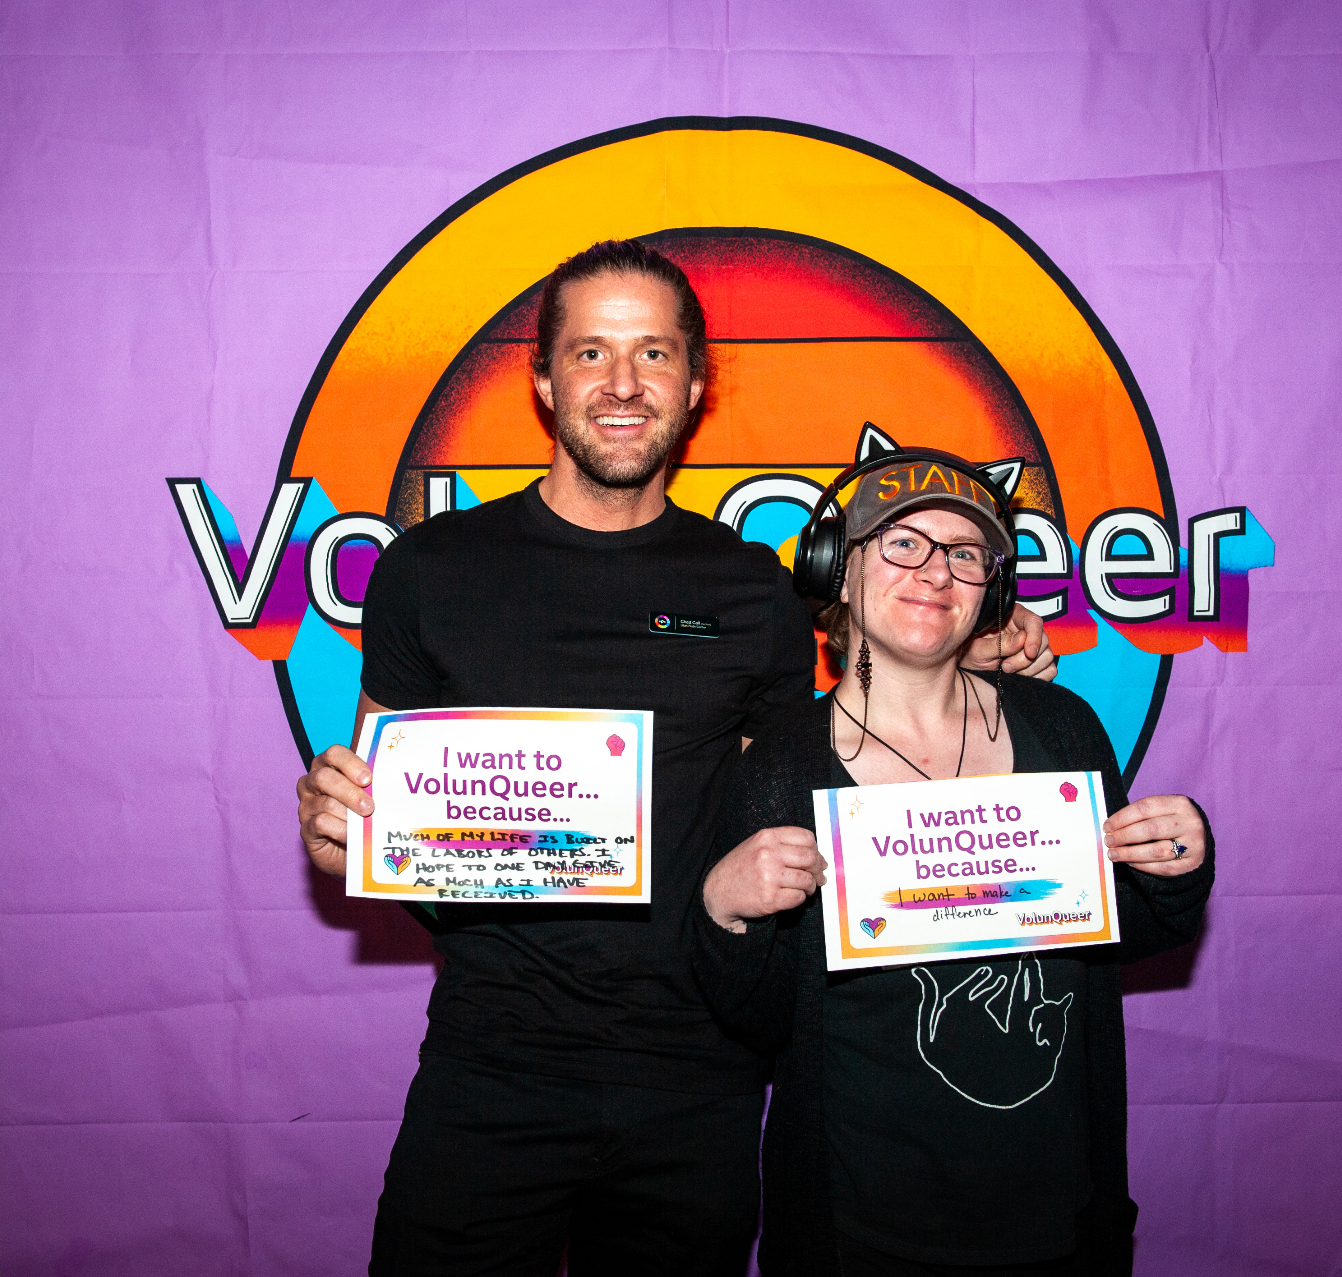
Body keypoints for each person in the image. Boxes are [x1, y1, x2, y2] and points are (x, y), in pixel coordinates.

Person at [294, 239, 1058, 1277]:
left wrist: (964, 654)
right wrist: (337, 822)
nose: (621, 384)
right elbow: (367, 823)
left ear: (695, 385)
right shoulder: (428, 571)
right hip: (492, 1063)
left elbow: (820, 767)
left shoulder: (751, 587)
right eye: (592, 352)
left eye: (653, 354)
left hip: (696, 1080)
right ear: (542, 376)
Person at [694, 456, 1215, 1276]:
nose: (936, 571)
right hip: (860, 1226)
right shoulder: (780, 767)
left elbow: (1116, 933)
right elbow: (755, 1021)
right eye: (903, 543)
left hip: (1054, 1214)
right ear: (840, 566)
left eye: (965, 553)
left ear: (991, 592)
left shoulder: (1065, 727)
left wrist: (1174, 868)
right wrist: (724, 910)